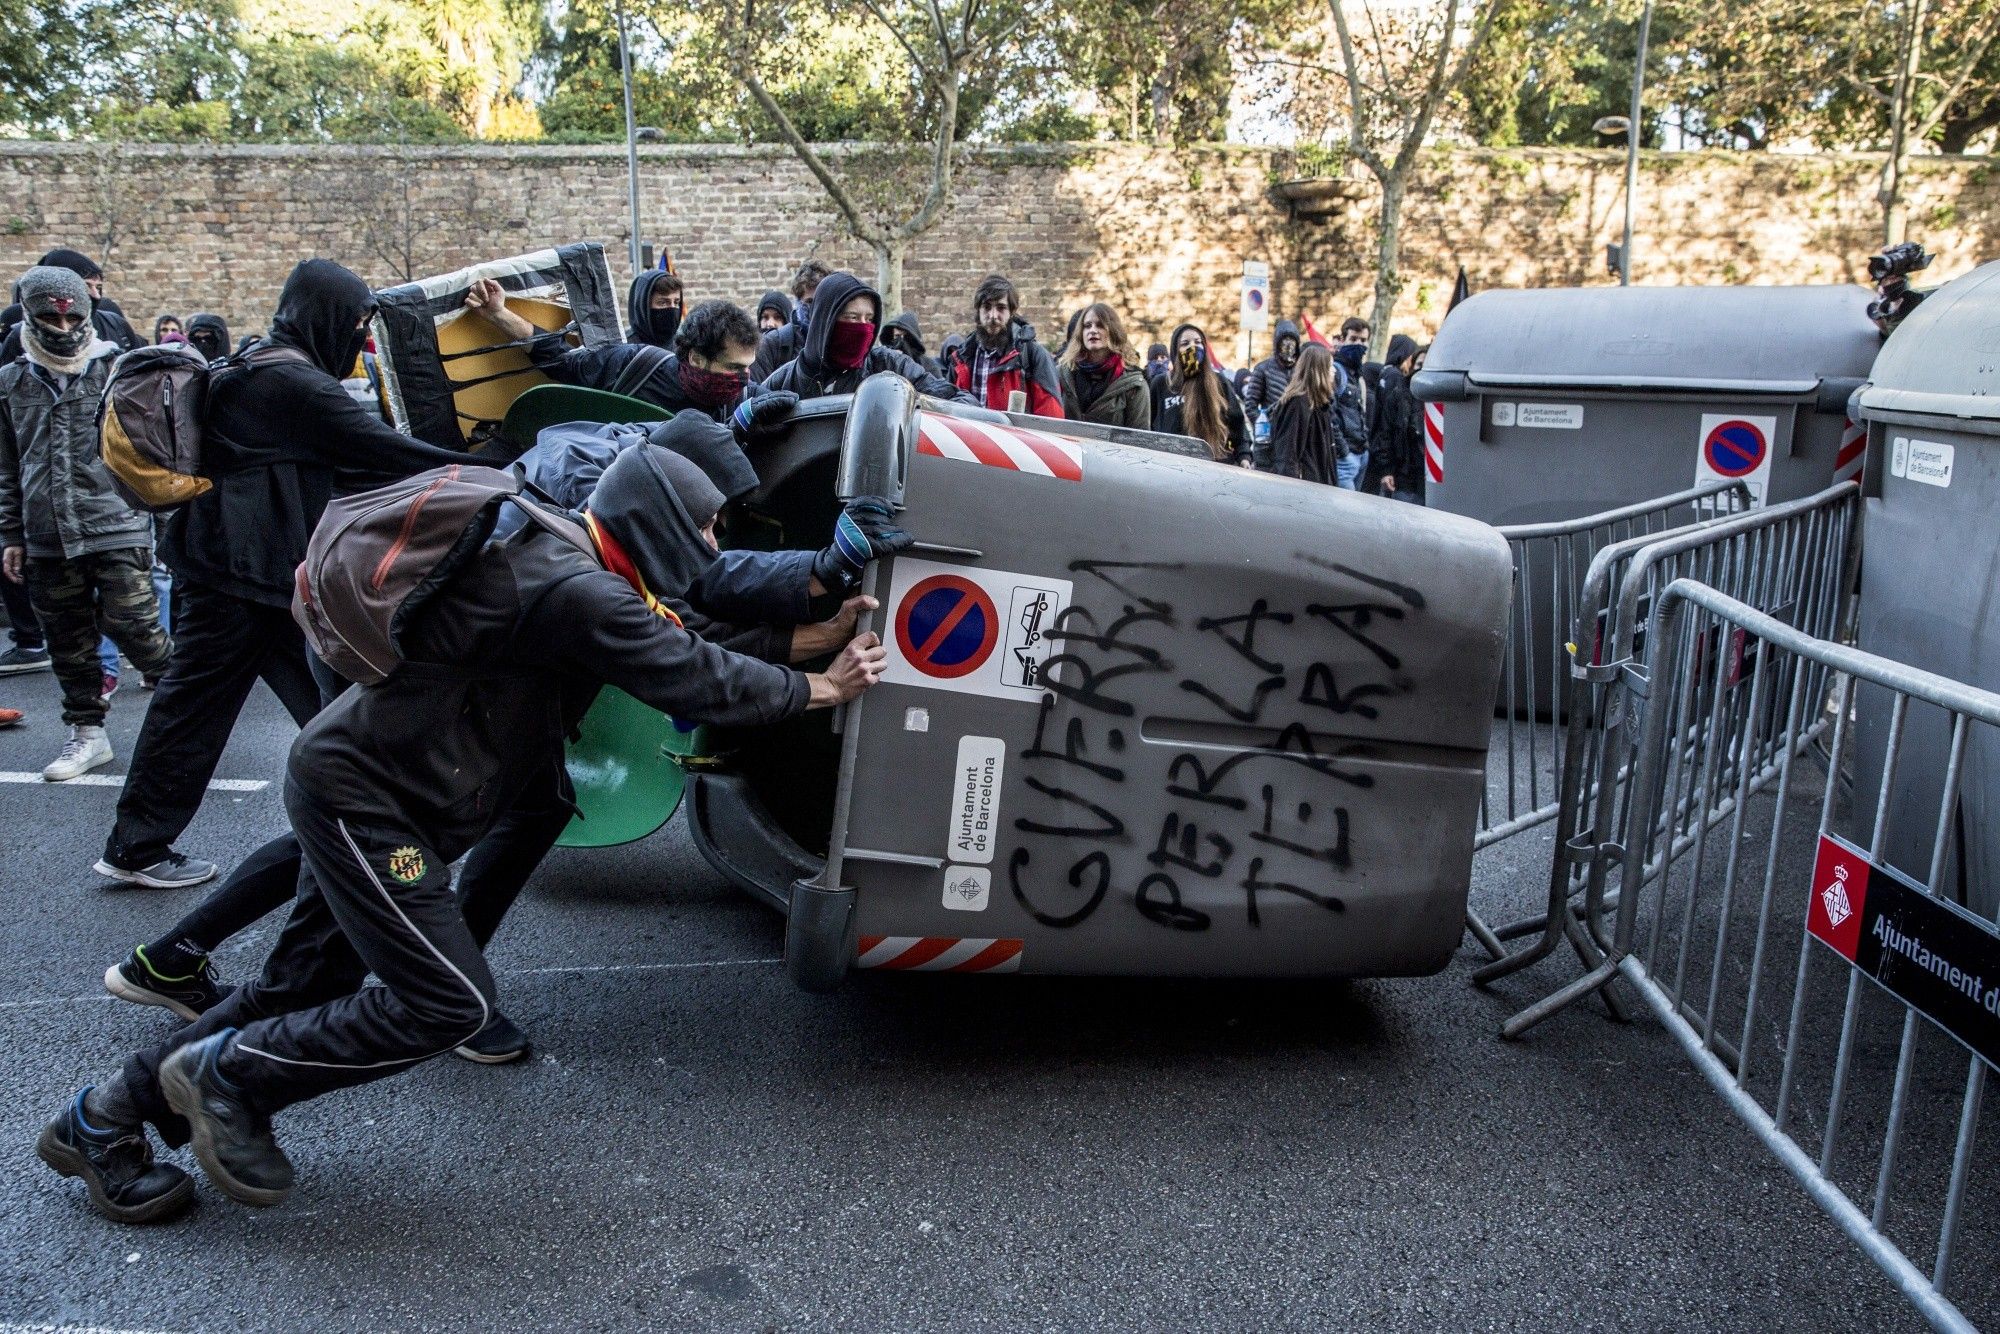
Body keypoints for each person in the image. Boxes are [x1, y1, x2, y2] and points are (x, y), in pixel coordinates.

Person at [39, 443, 890, 1223]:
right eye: (705, 523)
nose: (711, 541)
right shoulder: (574, 587)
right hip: (367, 804)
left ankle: (100, 1120)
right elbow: (693, 674)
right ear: (658, 517)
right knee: (449, 1002)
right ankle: (231, 1079)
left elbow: (687, 634)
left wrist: (813, 638)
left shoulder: (579, 560)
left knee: (293, 990)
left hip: (364, 787)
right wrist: (824, 689)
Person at [97, 259, 476, 892]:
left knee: (313, 709)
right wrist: (503, 467)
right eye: (354, 322)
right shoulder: (295, 387)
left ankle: (379, 836)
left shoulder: (256, 362)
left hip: (240, 574)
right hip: (245, 579)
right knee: (304, 712)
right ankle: (142, 847)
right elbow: (392, 455)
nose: (358, 338)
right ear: (323, 317)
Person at [0, 266, 174, 781]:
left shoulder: (118, 371)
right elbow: (8, 466)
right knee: (68, 639)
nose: (63, 325)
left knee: (137, 626)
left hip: (116, 523)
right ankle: (87, 735)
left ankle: (187, 717)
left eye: (74, 314)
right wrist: (11, 535)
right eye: (50, 315)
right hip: (45, 533)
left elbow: (155, 453)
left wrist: (166, 527)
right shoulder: (10, 382)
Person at [466, 285, 765, 423]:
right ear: (697, 358)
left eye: (748, 368)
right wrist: (498, 314)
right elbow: (562, 361)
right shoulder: (633, 366)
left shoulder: (745, 403)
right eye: (734, 368)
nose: (744, 378)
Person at [761, 272, 971, 402]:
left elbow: (952, 398)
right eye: (851, 318)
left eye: (868, 319)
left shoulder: (890, 365)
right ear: (826, 321)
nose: (862, 328)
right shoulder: (785, 380)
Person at [951, 275, 1064, 417]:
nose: (993, 315)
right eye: (986, 307)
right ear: (978, 311)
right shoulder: (962, 357)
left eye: (1001, 308)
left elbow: (1050, 417)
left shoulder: (1032, 355)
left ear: (1011, 313)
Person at [0, 250, 143, 360]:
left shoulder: (116, 325)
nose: (96, 295)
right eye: (87, 285)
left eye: (98, 287)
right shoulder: (20, 333)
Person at [1152, 323, 1249, 466]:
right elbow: (1149, 424)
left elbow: (1237, 423)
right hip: (1172, 466)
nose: (1193, 347)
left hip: (1215, 464)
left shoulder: (1219, 382)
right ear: (1175, 351)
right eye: (1185, 343)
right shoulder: (1162, 384)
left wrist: (1244, 456)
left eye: (1198, 342)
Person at [1057, 303, 1150, 429]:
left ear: (1113, 331)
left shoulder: (1133, 384)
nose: (1093, 330)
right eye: (1087, 326)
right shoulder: (1063, 373)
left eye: (1100, 325)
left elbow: (1140, 437)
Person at [1267, 344, 1342, 485]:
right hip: (1304, 488)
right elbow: (1288, 453)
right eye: (1330, 366)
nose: (1334, 371)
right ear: (1319, 370)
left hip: (1316, 484)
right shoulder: (1298, 403)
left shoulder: (1320, 404)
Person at [750, 260, 830, 381]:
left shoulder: (842, 343)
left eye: (822, 301)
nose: (817, 309)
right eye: (810, 302)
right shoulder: (772, 345)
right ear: (798, 302)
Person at [1372, 335, 1425, 503]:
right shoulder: (1399, 395)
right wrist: (1386, 470)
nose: (1422, 371)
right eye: (1419, 365)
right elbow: (1385, 433)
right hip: (1404, 478)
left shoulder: (1441, 401)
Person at [1240, 319, 1300, 414]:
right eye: (1285, 340)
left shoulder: (1302, 369)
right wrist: (1263, 425)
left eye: (1292, 339)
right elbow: (1251, 405)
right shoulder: (1263, 369)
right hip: (1272, 425)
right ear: (1278, 343)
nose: (1288, 344)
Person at [626, 268, 683, 348]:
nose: (672, 308)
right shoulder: (624, 348)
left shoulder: (683, 345)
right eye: (663, 303)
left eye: (676, 302)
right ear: (643, 307)